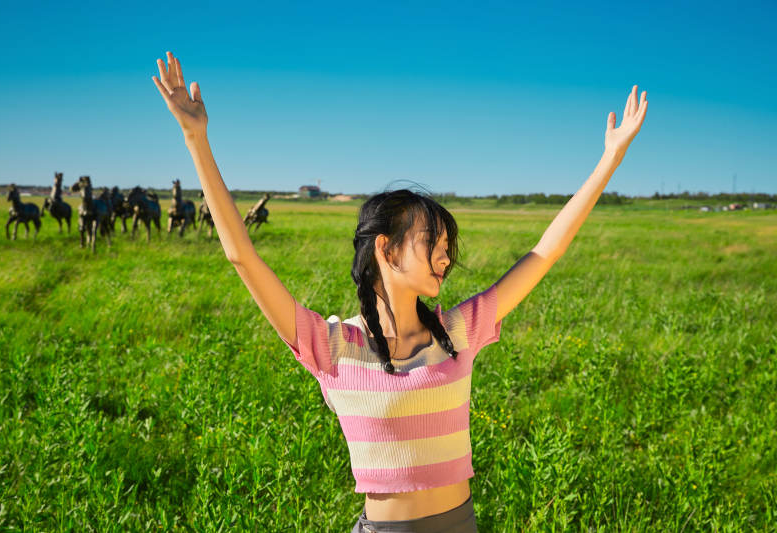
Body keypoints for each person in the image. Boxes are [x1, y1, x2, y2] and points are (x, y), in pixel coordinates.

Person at [152, 51, 648, 532]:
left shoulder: (458, 331)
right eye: (432, 243)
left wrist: (611, 158)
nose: (446, 258)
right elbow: (242, 255)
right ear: (386, 250)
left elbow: (545, 253)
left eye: (449, 248)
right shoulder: (333, 346)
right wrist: (196, 138)